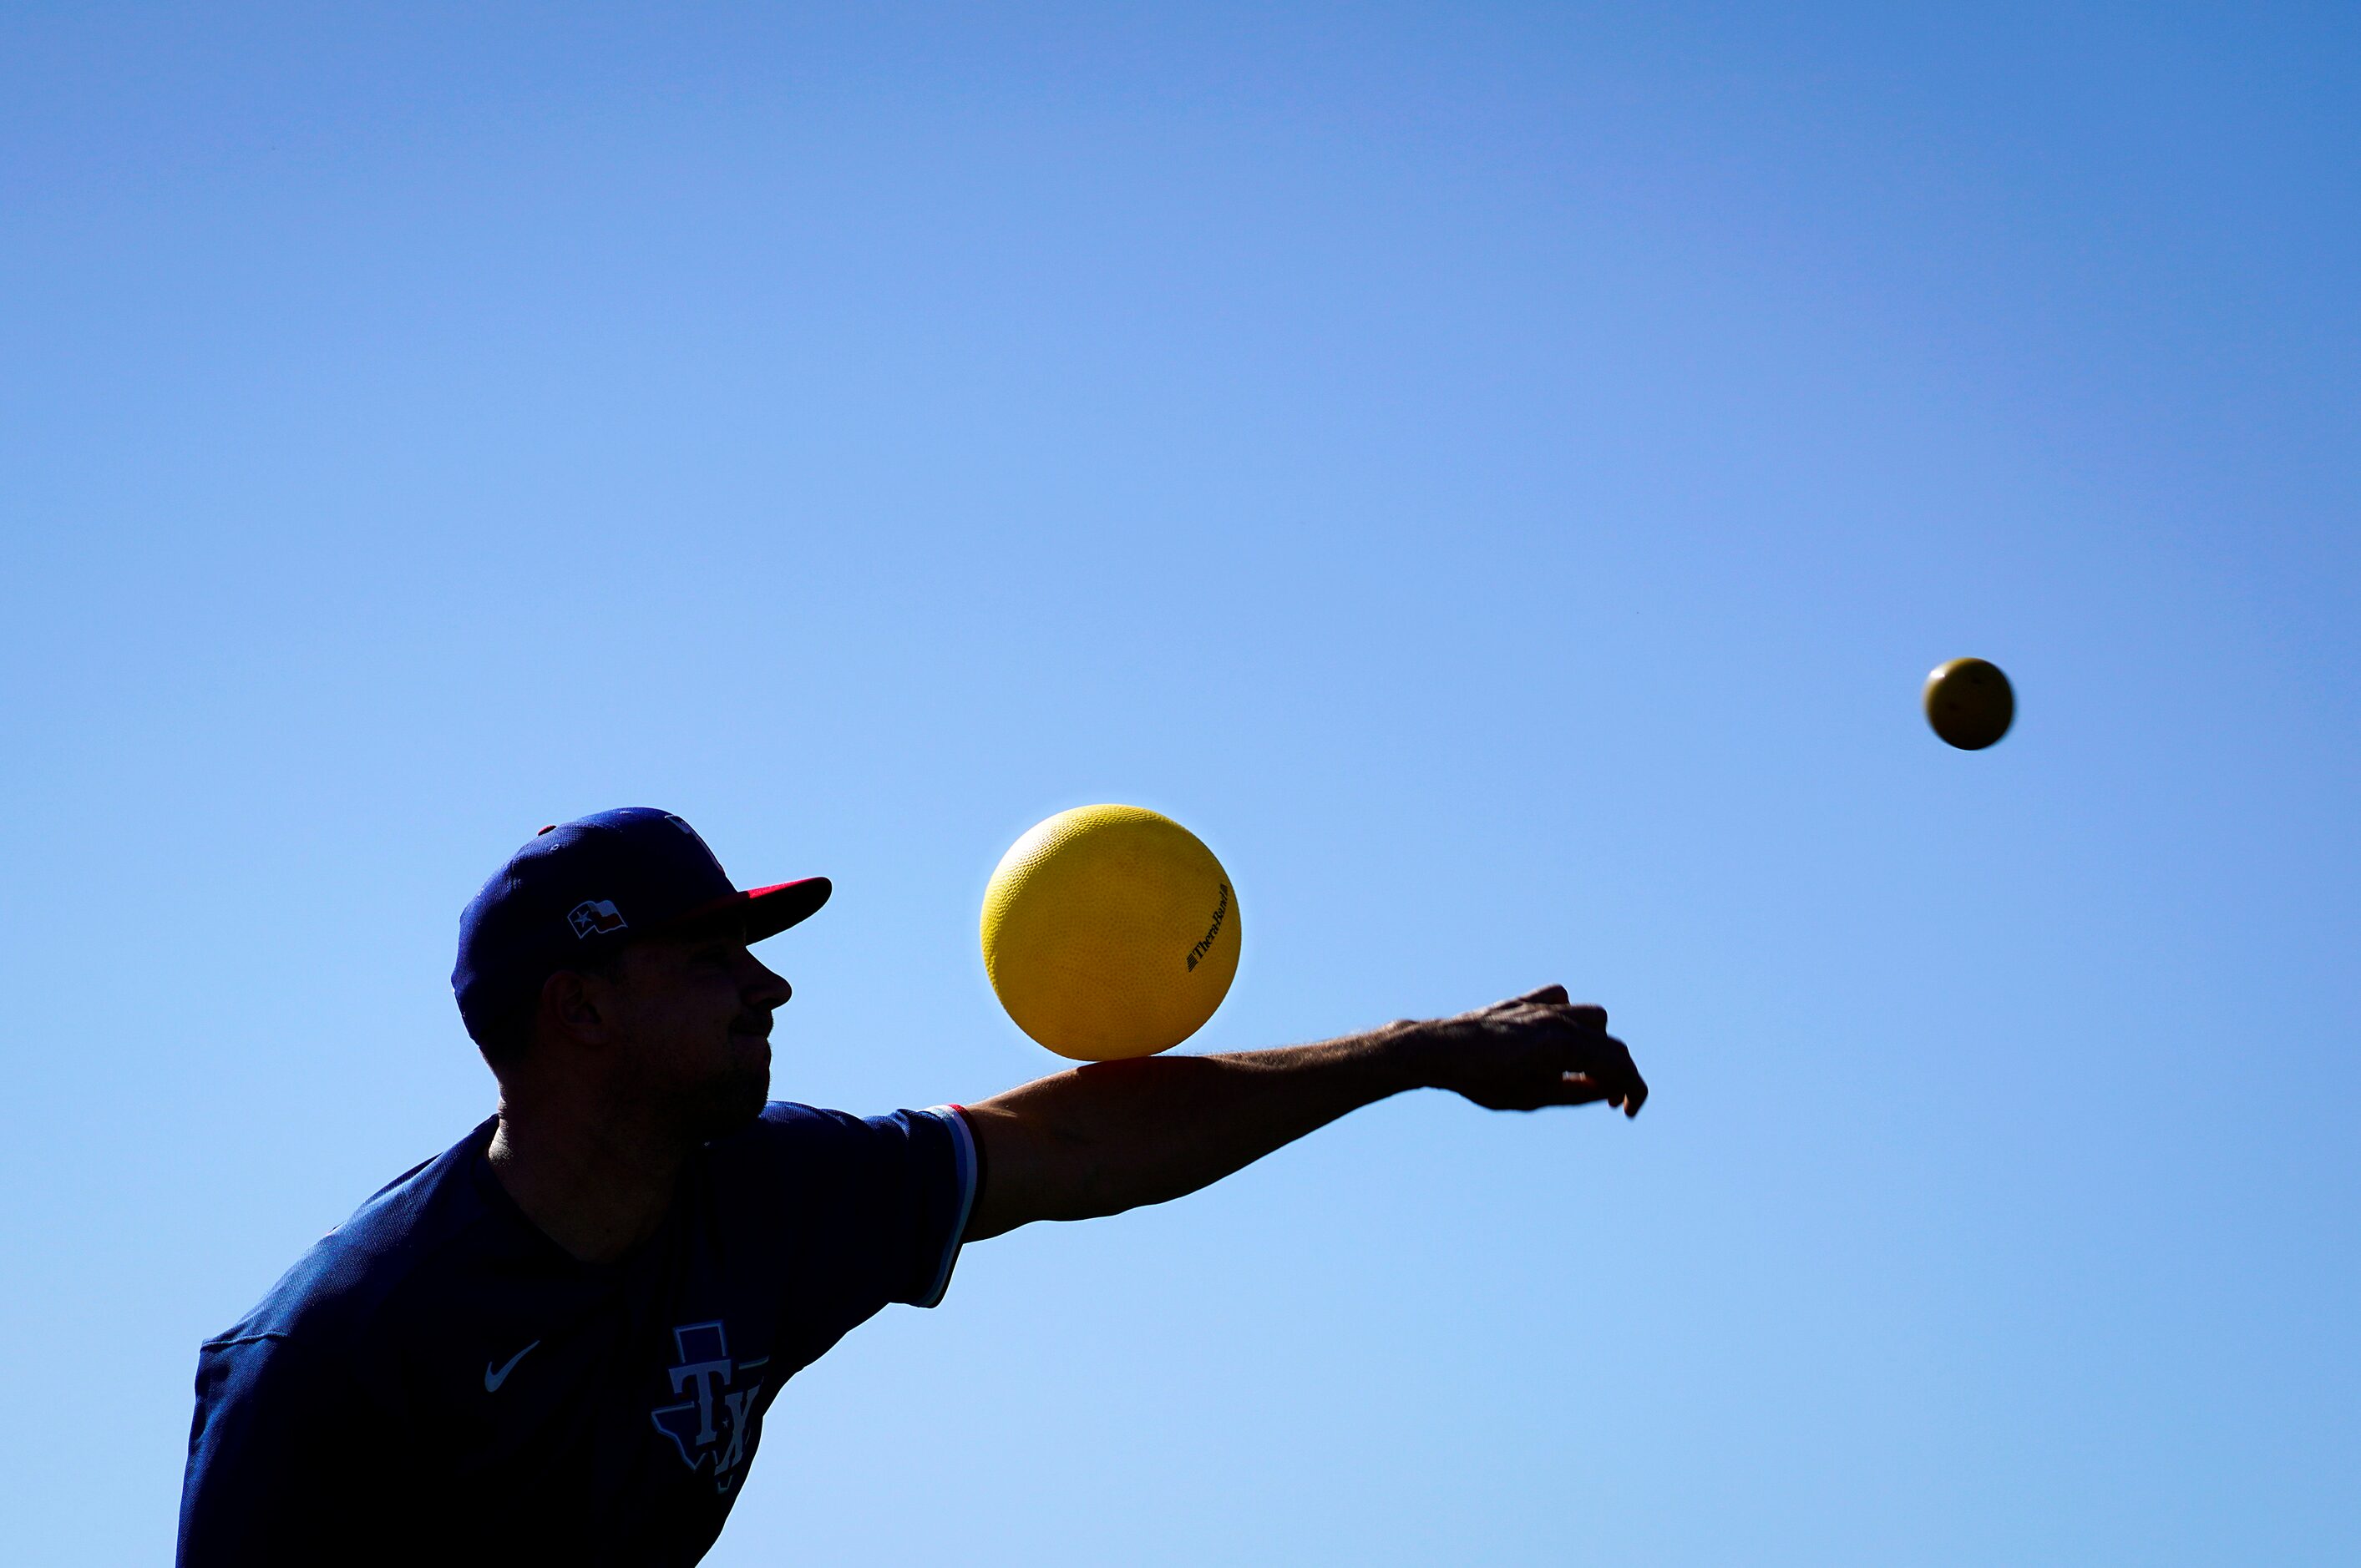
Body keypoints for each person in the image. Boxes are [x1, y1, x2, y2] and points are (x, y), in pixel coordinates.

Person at [176, 807, 1646, 1565]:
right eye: (715, 959)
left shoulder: (774, 1191)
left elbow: (1078, 1145)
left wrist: (1415, 1052)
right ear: (579, 1011)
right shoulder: (326, 1359)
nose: (774, 982)